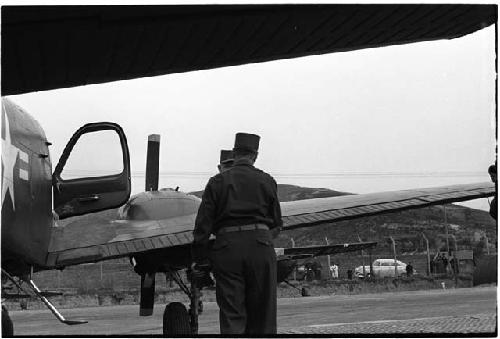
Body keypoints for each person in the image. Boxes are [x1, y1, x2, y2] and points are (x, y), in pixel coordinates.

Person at [192, 132, 282, 335]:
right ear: (255, 155)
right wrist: (262, 239)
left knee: (232, 314)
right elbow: (276, 222)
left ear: (234, 153)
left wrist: (201, 260)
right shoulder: (267, 181)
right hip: (261, 246)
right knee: (263, 315)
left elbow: (202, 227)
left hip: (227, 248)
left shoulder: (216, 182)